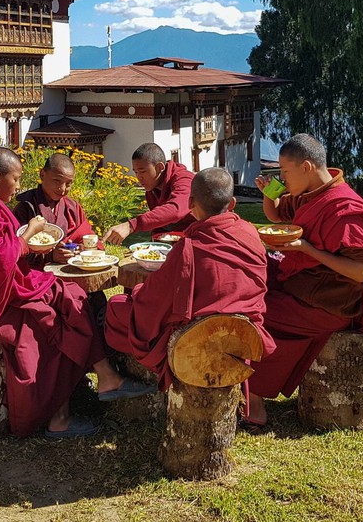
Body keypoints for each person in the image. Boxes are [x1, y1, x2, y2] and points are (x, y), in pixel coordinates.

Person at [0, 147, 155, 438]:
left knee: (75, 298)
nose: (18, 185)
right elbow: (1, 260)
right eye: (15, 178)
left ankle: (104, 377)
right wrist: (30, 234)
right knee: (57, 321)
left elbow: (76, 232)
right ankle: (60, 416)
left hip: (4, 286)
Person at [247, 134, 363, 425]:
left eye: (285, 172)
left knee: (257, 313)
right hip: (305, 280)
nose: (283, 179)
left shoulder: (345, 208)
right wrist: (269, 194)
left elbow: (360, 272)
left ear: (307, 167)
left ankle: (255, 404)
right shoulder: (310, 193)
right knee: (249, 276)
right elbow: (276, 215)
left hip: (332, 301)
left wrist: (307, 250)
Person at [104, 167, 276, 391]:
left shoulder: (188, 248)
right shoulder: (250, 232)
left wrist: (136, 290)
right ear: (232, 203)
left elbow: (153, 300)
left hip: (197, 337)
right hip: (244, 333)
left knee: (116, 307)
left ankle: (136, 380)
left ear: (191, 202)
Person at [103, 143, 194, 245]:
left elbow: (175, 209)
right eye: (136, 172)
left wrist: (131, 225)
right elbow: (159, 225)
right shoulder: (152, 189)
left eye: (142, 171)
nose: (138, 177)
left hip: (198, 242)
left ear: (160, 167)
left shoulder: (184, 180)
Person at [13, 152, 95, 263]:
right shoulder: (25, 206)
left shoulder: (73, 207)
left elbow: (88, 239)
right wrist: (50, 256)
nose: (62, 189)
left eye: (68, 184)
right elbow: (14, 249)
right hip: (37, 272)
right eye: (57, 181)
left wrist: (80, 249)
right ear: (42, 175)